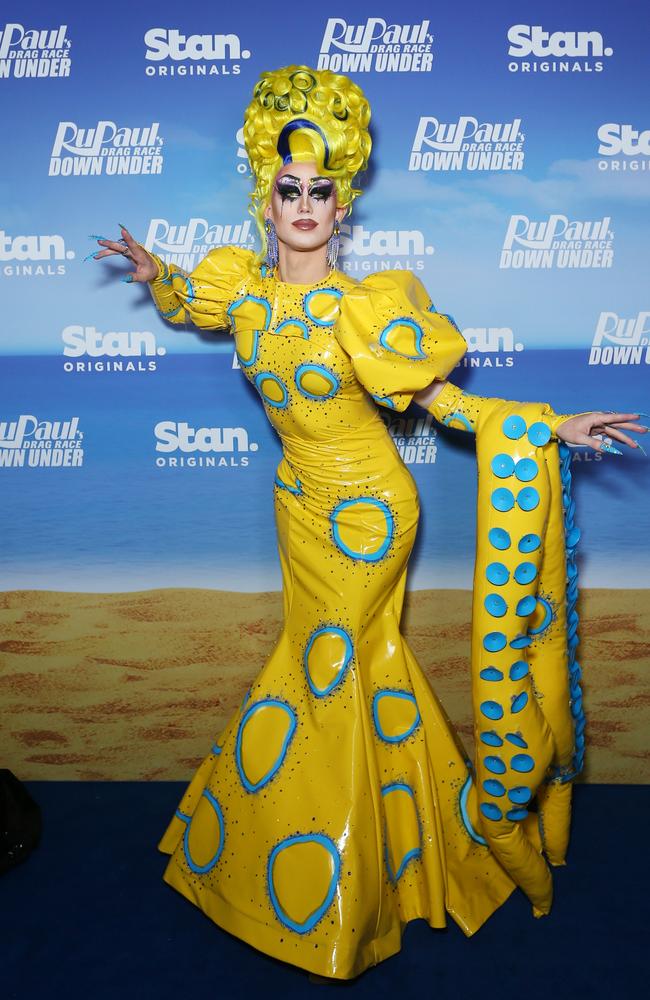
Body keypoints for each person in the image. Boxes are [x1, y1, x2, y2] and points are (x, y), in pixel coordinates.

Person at [88, 66, 645, 981]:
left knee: (329, 662)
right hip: (298, 505)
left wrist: (553, 424)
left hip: (370, 512)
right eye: (288, 190)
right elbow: (192, 300)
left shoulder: (365, 307)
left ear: (341, 209)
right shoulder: (243, 292)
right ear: (265, 204)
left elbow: (442, 404)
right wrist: (155, 274)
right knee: (362, 666)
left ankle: (325, 884)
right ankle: (416, 849)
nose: (304, 203)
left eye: (321, 192)